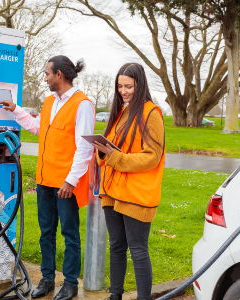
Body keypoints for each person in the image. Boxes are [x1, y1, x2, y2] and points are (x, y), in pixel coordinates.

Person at [0, 55, 95, 300]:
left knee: (70, 234)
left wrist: (70, 181)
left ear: (59, 75)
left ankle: (70, 283)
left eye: (47, 74)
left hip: (65, 184)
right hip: (44, 180)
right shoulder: (50, 102)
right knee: (46, 233)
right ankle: (48, 279)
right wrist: (16, 110)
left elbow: (84, 148)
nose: (45, 78)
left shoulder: (82, 105)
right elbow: (41, 129)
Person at [91, 63, 165, 300]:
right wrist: (101, 150)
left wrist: (115, 157)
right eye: (120, 86)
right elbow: (110, 152)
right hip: (112, 191)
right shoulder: (121, 112)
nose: (123, 91)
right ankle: (115, 296)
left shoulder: (151, 113)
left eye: (129, 86)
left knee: (138, 250)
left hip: (137, 193)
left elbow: (152, 156)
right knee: (116, 247)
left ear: (140, 84)